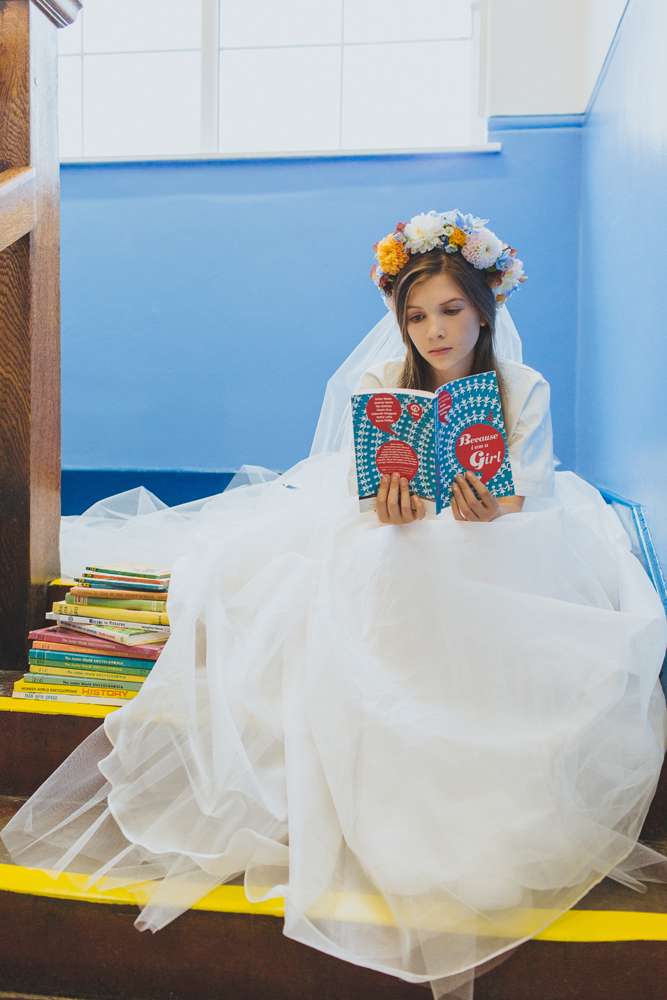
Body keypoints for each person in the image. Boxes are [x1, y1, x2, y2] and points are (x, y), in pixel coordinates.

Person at [2, 208, 666, 1000]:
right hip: (404, 532)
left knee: (462, 555)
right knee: (387, 553)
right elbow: (365, 489)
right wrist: (389, 507)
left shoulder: (521, 386)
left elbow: (529, 490)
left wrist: (490, 509)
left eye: (450, 310)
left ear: (484, 310)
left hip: (498, 535)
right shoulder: (382, 380)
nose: (434, 330)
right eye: (415, 316)